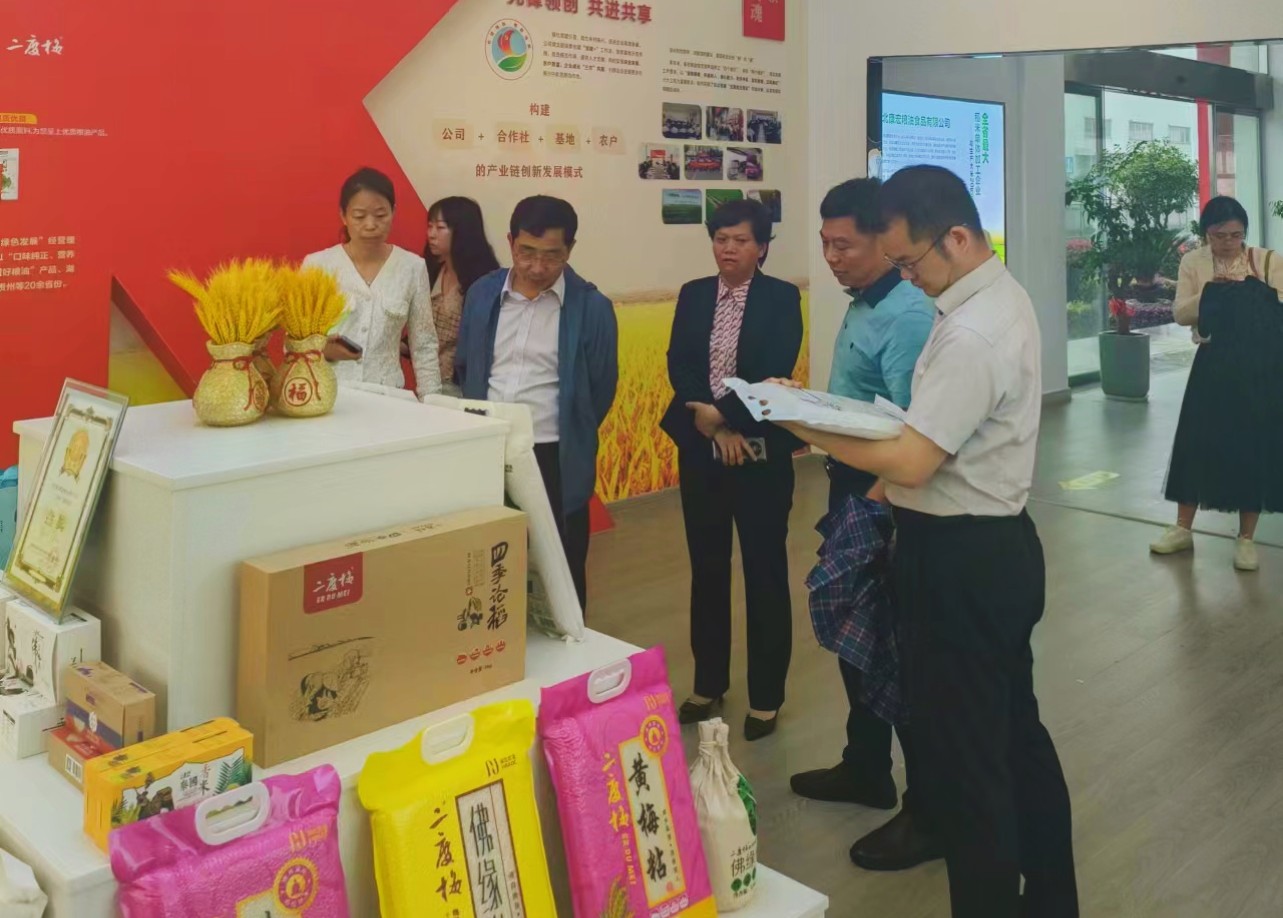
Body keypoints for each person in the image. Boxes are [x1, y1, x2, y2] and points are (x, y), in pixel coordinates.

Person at [773, 166, 1077, 917]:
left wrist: (799, 420)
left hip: (960, 560)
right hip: (992, 549)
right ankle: (1050, 898)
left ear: (957, 237)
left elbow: (913, 461)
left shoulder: (971, 331)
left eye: (909, 262)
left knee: (967, 765)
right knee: (1015, 737)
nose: (906, 277)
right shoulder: (994, 298)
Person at [787, 178, 939, 870]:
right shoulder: (862, 302)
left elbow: (912, 433)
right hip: (851, 483)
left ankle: (926, 808)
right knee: (859, 642)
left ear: (886, 239)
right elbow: (861, 406)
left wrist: (876, 510)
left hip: (882, 498)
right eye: (824, 244)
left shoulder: (907, 315)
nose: (831, 257)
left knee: (892, 652)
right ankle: (865, 765)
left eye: (843, 245)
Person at [660, 198, 802, 742]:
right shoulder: (695, 293)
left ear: (762, 247)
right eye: (720, 239)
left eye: (740, 240)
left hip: (760, 453)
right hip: (703, 451)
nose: (728, 249)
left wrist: (727, 417)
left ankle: (766, 697)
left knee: (764, 571)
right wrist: (712, 426)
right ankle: (708, 683)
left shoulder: (781, 297)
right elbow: (680, 363)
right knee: (707, 568)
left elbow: (774, 369)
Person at [455, 196, 618, 614]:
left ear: (570, 249)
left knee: (560, 567)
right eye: (527, 252)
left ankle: (567, 639)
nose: (537, 266)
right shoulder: (483, 294)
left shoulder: (592, 308)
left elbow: (600, 389)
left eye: (552, 255)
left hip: (552, 453)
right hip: (489, 446)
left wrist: (570, 430)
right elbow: (466, 365)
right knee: (491, 559)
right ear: (510, 242)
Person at [1150, 195, 1283, 571]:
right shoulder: (1194, 262)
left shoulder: (1267, 261)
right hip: (1212, 361)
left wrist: (1251, 290)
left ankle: (1246, 538)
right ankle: (1182, 527)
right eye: (1219, 235)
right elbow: (1180, 313)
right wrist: (1211, 290)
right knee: (1196, 442)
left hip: (1259, 367)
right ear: (1205, 233)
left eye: (1235, 235)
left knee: (1252, 447)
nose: (1227, 243)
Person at [303, 167, 441, 399]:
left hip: (388, 398)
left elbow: (424, 345)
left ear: (393, 212)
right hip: (330, 396)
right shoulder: (318, 265)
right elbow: (294, 344)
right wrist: (324, 349)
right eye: (359, 216)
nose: (370, 225)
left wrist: (432, 402)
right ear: (343, 215)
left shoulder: (412, 268)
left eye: (380, 215)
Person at [423, 197, 501, 395]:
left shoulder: (484, 281)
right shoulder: (431, 270)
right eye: (430, 226)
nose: (431, 234)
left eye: (440, 227)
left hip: (461, 386)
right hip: (428, 381)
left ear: (463, 231)